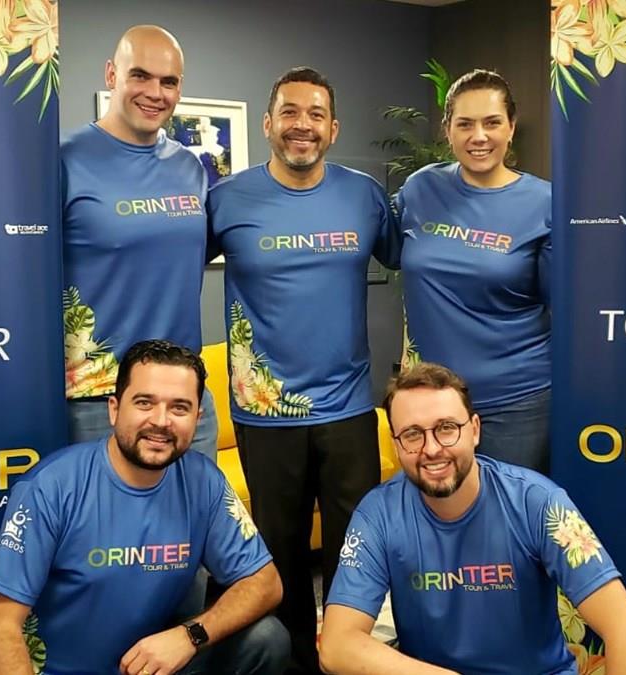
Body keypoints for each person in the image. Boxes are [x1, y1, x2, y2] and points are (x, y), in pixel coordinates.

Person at [207, 66, 399, 674]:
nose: (302, 125)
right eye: (290, 112)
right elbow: (163, 263)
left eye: (316, 114)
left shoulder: (365, 196)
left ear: (333, 128)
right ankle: (293, 666)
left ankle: (348, 660)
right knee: (280, 560)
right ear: (268, 123)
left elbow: (421, 263)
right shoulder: (226, 199)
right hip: (264, 414)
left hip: (349, 410)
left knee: (356, 556)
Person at [0, 340, 289, 675]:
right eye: (144, 403)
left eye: (179, 408)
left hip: (151, 667)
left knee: (266, 639)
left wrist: (190, 635)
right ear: (114, 409)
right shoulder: (50, 487)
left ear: (197, 418)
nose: (161, 421)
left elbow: (265, 583)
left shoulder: (204, 481)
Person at [319, 362, 626, 675]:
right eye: (412, 434)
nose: (431, 449)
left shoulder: (538, 503)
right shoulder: (378, 513)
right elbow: (337, 646)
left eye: (447, 428)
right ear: (396, 443)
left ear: (474, 430)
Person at [61, 24, 217, 460]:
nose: (155, 92)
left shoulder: (190, 167)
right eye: (140, 76)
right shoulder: (64, 159)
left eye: (168, 82)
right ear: (112, 74)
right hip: (97, 399)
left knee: (195, 508)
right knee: (100, 509)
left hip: (187, 395)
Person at [395, 69, 553, 472]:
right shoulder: (420, 188)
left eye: (492, 122)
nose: (478, 136)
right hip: (431, 401)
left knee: (507, 508)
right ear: (448, 129)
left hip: (515, 402)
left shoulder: (545, 203)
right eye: (465, 124)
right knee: (435, 509)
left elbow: (566, 307)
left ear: (511, 127)